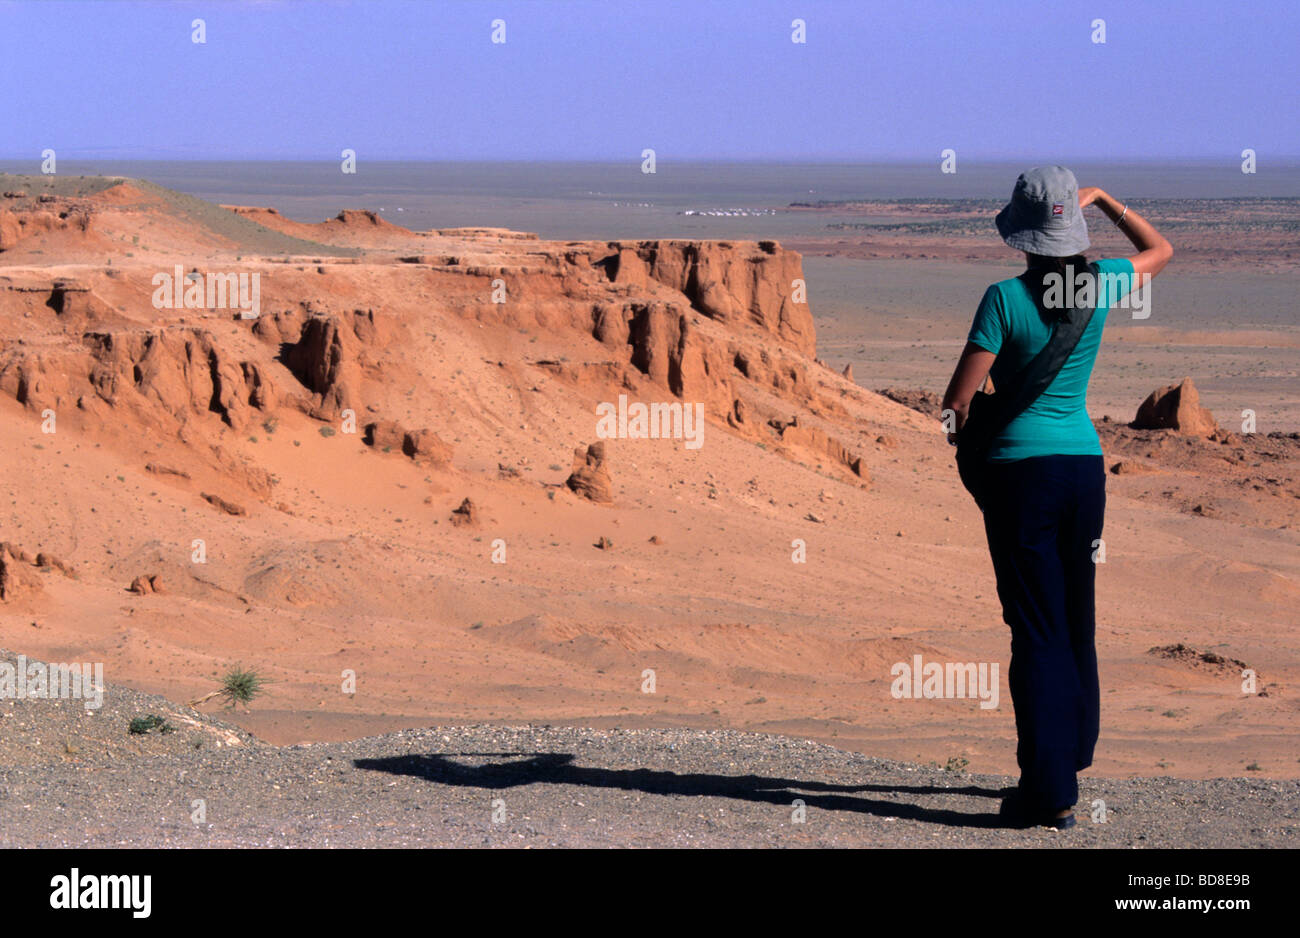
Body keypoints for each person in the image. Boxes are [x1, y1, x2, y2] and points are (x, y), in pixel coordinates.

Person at [941, 166, 1172, 829]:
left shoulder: (1003, 300)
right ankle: (1068, 756)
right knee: (1075, 619)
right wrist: (1105, 202)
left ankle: (1048, 794)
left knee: (1035, 630)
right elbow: (1160, 251)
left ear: (1024, 236)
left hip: (1022, 477)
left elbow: (957, 403)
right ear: (1072, 226)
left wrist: (967, 449)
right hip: (1083, 471)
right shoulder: (1099, 285)